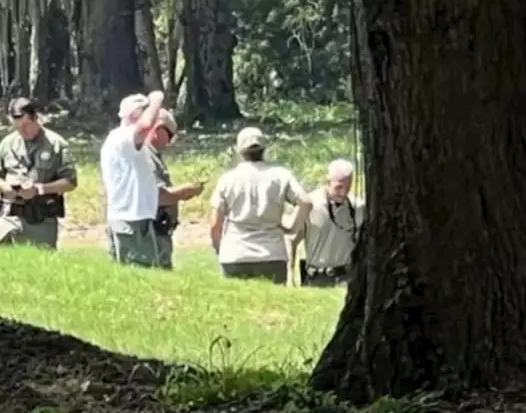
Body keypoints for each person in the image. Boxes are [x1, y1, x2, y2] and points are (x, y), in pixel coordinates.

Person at [208, 127, 306, 284]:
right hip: (272, 253)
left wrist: (219, 249)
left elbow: (215, 224)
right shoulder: (280, 175)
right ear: (264, 149)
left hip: (236, 252)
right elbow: (305, 202)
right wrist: (293, 228)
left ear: (239, 150)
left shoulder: (228, 179)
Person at [0, 98, 77, 249]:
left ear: (35, 118)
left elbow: (70, 182)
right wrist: (7, 188)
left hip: (41, 216)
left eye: (26, 125)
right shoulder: (7, 144)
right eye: (18, 127)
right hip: (11, 214)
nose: (22, 131)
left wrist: (40, 189)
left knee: (42, 263)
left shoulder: (55, 144)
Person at [101, 90, 167, 267]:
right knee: (142, 274)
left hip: (132, 218)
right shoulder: (124, 136)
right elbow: (145, 125)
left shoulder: (122, 140)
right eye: (144, 110)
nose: (151, 114)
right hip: (131, 220)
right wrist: (156, 99)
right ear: (132, 114)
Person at [289, 158, 365, 286]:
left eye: (348, 187)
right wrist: (290, 276)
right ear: (327, 182)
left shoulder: (358, 207)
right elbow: (291, 240)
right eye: (339, 187)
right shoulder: (310, 205)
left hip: (347, 277)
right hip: (317, 278)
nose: (343, 192)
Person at [148, 109, 204, 269]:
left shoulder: (153, 155)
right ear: (158, 129)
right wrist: (186, 191)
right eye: (170, 135)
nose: (170, 142)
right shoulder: (147, 156)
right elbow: (159, 196)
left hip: (162, 229)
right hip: (154, 230)